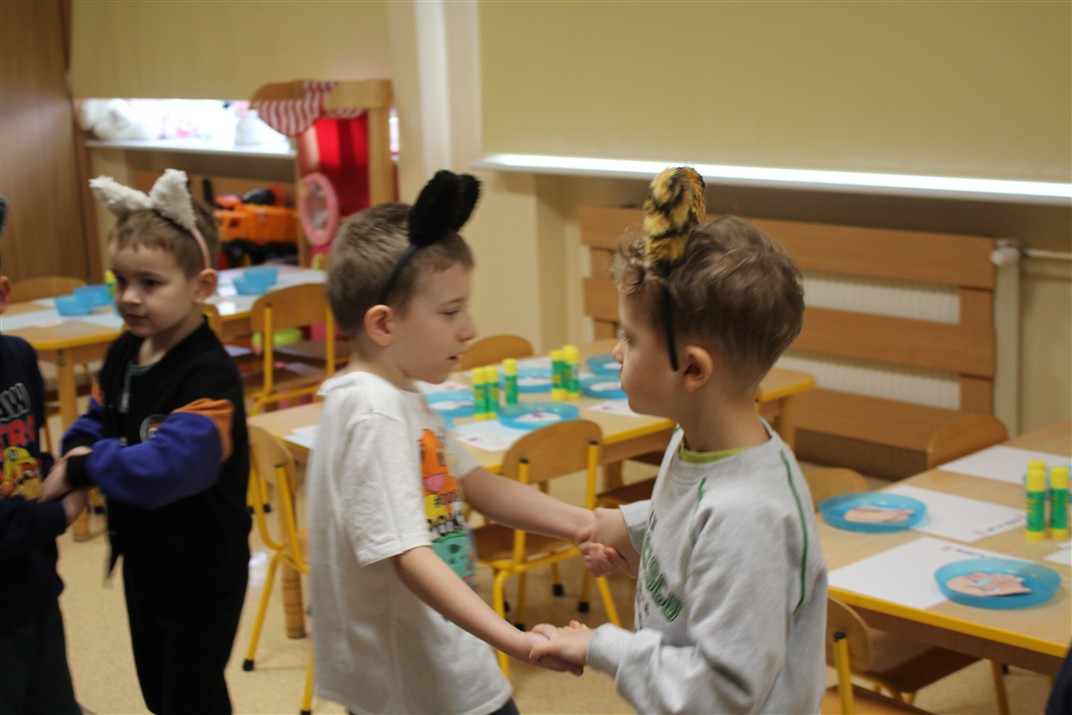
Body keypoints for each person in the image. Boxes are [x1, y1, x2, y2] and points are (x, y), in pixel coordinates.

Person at [530, 167, 829, 713]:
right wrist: (637, 530)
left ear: (692, 369)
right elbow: (692, 512)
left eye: (629, 337)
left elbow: (720, 692)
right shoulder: (698, 442)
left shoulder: (748, 519)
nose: (616, 351)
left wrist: (602, 647)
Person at [307, 170, 595, 715]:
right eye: (449, 312)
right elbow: (409, 556)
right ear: (383, 324)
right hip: (416, 683)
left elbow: (478, 485)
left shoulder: (400, 398)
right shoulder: (374, 413)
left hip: (436, 663)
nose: (470, 328)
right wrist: (514, 640)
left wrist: (585, 524)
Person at [38, 171, 251, 715]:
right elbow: (97, 417)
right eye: (120, 280)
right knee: (162, 696)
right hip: (146, 562)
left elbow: (169, 467)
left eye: (150, 283)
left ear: (201, 286)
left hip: (203, 570)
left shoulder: (210, 376)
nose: (130, 298)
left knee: (191, 699)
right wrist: (76, 449)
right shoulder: (125, 350)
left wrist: (83, 468)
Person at [0, 196, 86, 715]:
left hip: (33, 586)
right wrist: (62, 512)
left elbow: (25, 456)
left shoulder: (18, 358)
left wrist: (63, 467)